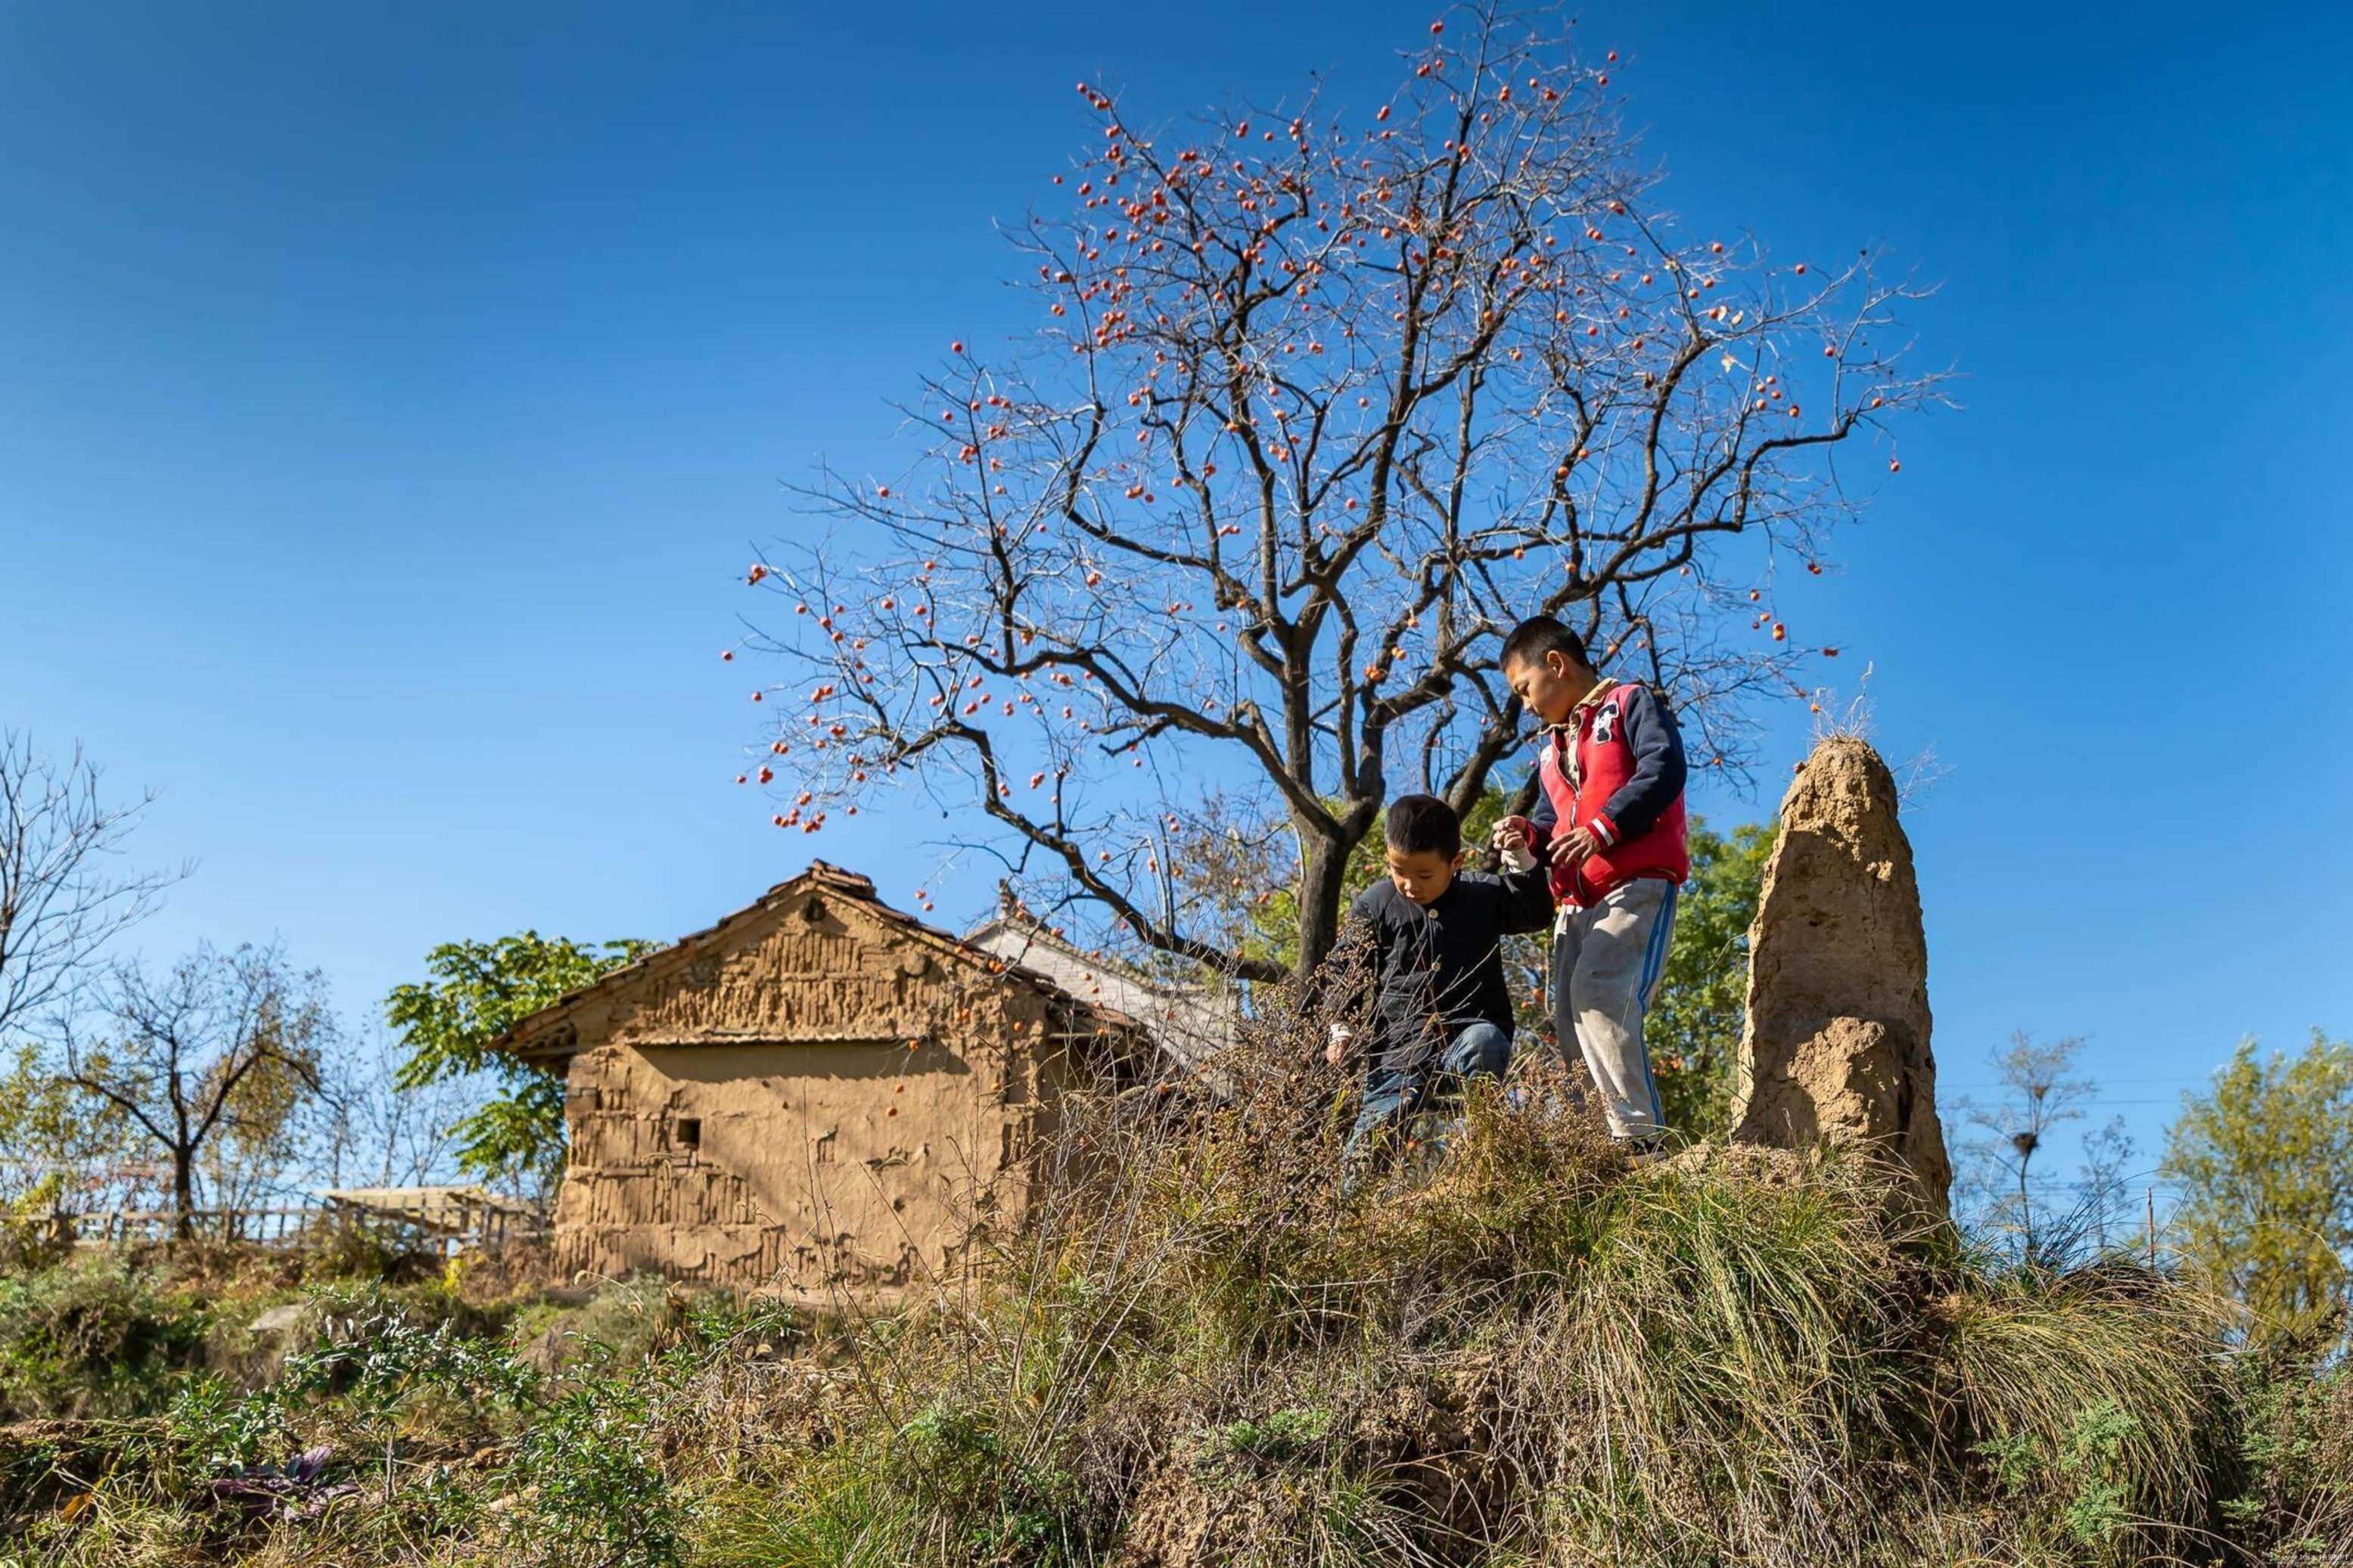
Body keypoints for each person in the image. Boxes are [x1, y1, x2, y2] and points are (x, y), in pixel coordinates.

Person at [1493, 616, 1689, 1146]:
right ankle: (1594, 1147)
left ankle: (1639, 1139)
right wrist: (1525, 837)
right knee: (1569, 1014)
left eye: (1524, 688)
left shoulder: (1628, 703)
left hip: (1636, 881)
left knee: (1602, 991)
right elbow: (1550, 822)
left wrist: (1603, 829)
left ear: (1555, 663)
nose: (1526, 705)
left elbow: (1664, 768)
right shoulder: (1551, 756)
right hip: (1575, 903)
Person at [1321, 793, 1555, 1165]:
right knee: (1362, 1164)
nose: (1410, 885)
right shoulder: (1375, 904)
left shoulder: (1483, 894)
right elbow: (1345, 970)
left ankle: (1482, 1146)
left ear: (1456, 863)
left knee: (1485, 1041)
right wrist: (1341, 1028)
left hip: (1467, 1038)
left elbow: (1536, 913)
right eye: (1399, 871)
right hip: (1398, 1054)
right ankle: (1353, 1217)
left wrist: (1521, 858)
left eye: (1424, 875)